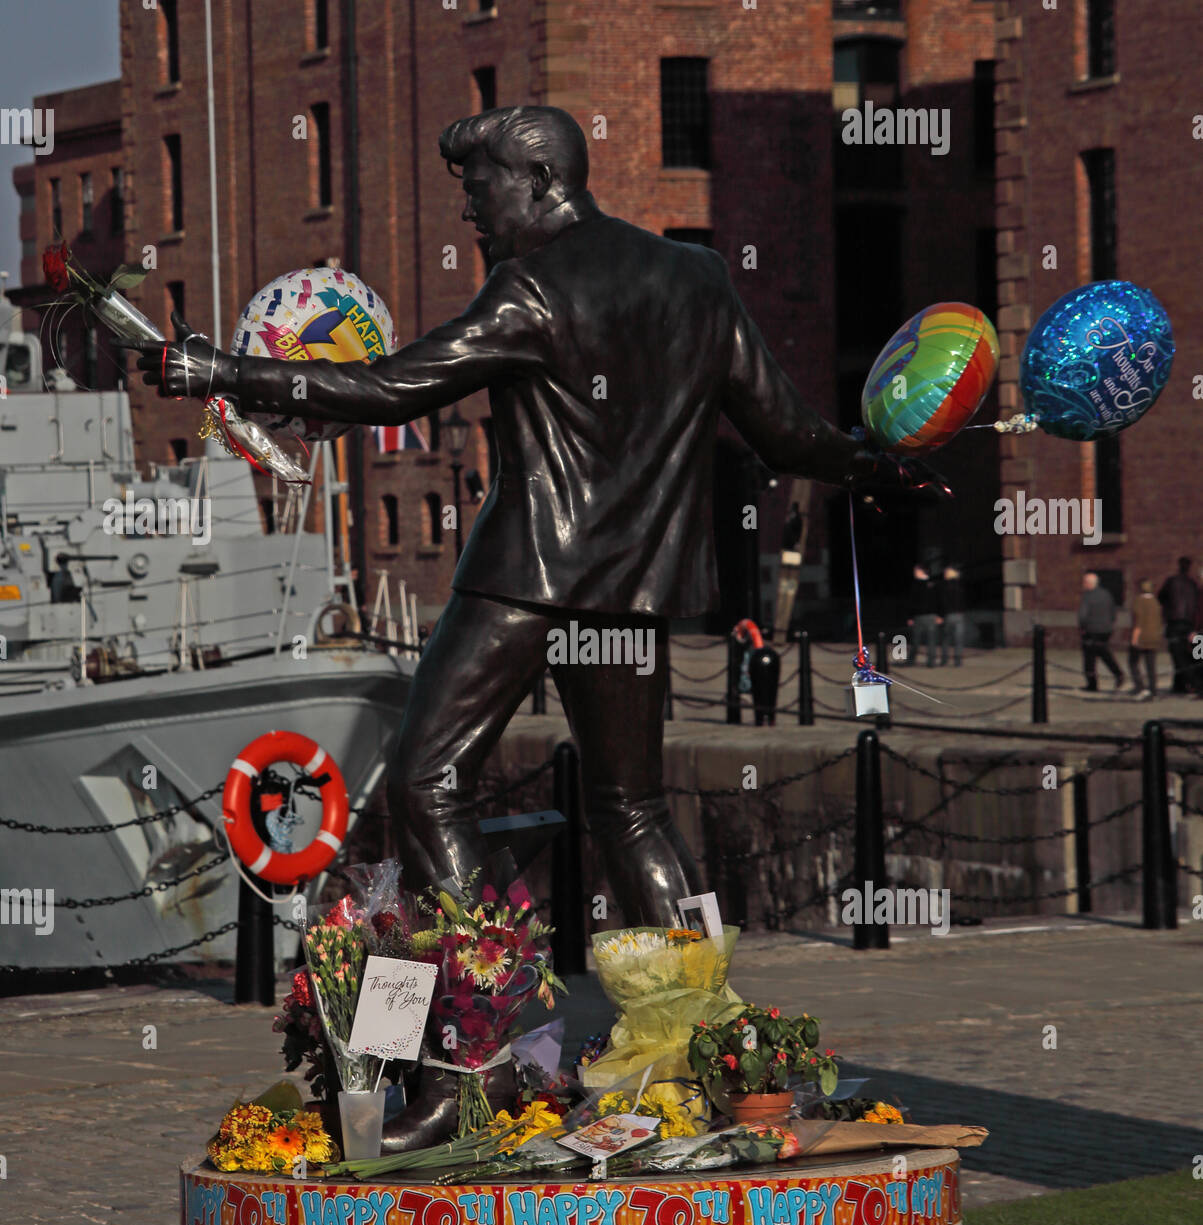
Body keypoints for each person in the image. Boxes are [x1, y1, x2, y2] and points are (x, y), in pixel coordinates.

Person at [130, 104, 948, 932]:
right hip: (634, 590)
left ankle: (479, 1002)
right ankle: (700, 1017)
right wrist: (873, 464)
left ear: (541, 180)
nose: (468, 210)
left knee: (426, 784)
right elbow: (785, 432)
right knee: (633, 808)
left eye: (480, 187)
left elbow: (388, 388)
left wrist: (224, 370)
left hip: (526, 580)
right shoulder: (699, 277)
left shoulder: (528, 291)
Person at [1158, 556, 1198, 695]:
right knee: (1187, 656)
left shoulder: (1172, 582)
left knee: (1179, 657)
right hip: (1189, 624)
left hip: (1175, 623)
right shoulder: (1193, 584)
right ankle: (1179, 684)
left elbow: (1161, 597)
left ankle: (1191, 684)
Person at [1079, 571, 1122, 693]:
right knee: (1104, 653)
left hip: (1091, 630)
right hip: (1106, 630)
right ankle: (1117, 673)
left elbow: (1083, 615)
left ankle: (1092, 683)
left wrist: (1082, 628)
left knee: (1089, 658)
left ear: (1089, 583)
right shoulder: (1106, 594)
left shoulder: (1087, 596)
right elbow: (1113, 611)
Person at [1128, 577, 1162, 700]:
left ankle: (1140, 687)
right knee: (1151, 665)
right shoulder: (1155, 602)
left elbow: (1138, 621)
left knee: (1133, 663)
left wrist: (1134, 638)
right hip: (1154, 636)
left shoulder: (1139, 601)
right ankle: (1153, 690)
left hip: (1142, 637)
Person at [906, 564, 941, 667]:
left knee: (931, 640)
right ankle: (911, 661)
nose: (914, 573)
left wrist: (939, 615)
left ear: (922, 571)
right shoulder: (915, 584)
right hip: (918, 616)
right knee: (915, 640)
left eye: (916, 570)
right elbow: (912, 602)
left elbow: (939, 601)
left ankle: (931, 662)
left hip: (931, 616)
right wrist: (910, 616)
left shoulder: (934, 584)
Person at [939, 560, 966, 667]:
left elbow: (943, 602)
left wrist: (941, 615)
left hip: (949, 615)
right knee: (958, 639)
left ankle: (945, 659)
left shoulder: (945, 586)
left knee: (946, 639)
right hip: (959, 614)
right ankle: (958, 661)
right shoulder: (960, 585)